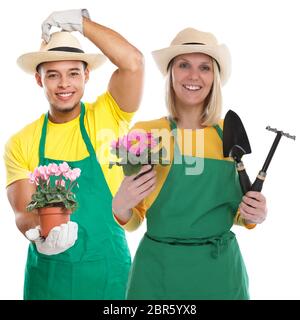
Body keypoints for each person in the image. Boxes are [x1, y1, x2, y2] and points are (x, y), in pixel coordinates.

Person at [112, 28, 268, 299]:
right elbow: (134, 219)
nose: (194, 76)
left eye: (204, 67)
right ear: (171, 73)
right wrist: (120, 206)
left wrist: (255, 214)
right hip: (157, 274)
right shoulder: (146, 134)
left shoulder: (227, 133)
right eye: (184, 65)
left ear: (214, 78)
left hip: (219, 275)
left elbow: (240, 214)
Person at [4, 9, 144, 300]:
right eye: (53, 75)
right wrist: (39, 235)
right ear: (39, 79)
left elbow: (133, 62)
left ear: (87, 75)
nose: (64, 84)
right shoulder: (22, 142)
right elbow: (23, 210)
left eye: (73, 73)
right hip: (49, 278)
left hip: (110, 276)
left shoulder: (108, 115)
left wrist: (81, 24)